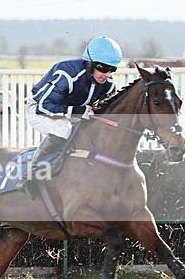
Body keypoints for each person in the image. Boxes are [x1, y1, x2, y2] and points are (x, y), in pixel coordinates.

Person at [15, 36, 122, 196]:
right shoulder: (67, 73)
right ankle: (29, 176)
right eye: (103, 68)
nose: (107, 74)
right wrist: (78, 110)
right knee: (62, 128)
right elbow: (45, 106)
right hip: (38, 108)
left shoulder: (108, 84)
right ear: (90, 63)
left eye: (112, 70)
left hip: (68, 111)